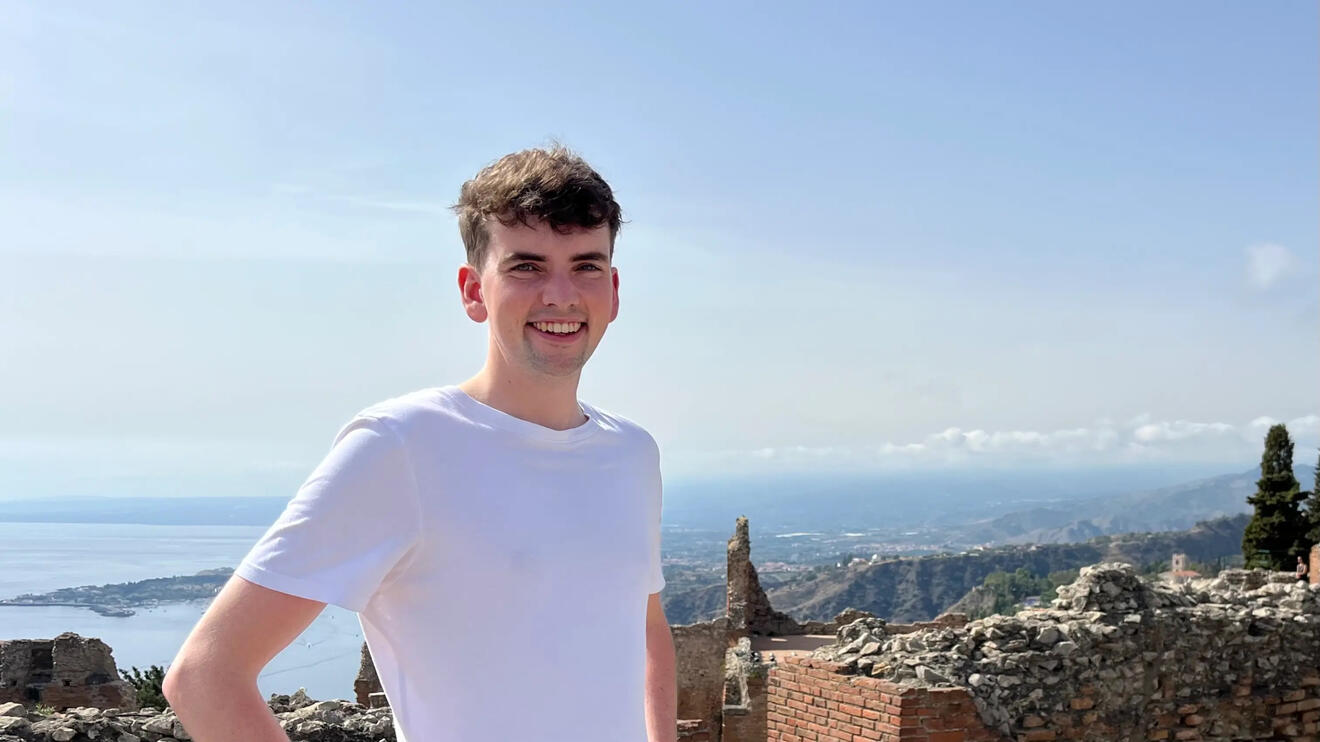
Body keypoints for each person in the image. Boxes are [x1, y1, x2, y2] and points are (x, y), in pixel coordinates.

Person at [162, 145, 677, 742]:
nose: (560, 294)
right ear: (473, 291)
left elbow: (644, 626)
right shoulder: (403, 445)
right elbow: (205, 673)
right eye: (526, 267)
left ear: (613, 291)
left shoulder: (632, 453)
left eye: (586, 265)